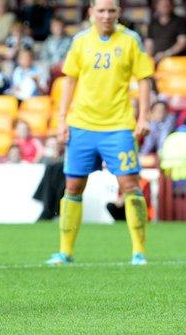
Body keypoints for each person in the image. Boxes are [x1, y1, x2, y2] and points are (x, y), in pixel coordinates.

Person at [45, 0, 153, 266]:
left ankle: (139, 252)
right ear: (91, 13)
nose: (106, 16)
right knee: (73, 186)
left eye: (112, 11)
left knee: (130, 185)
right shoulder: (81, 41)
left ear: (118, 13)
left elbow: (144, 80)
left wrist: (144, 116)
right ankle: (65, 252)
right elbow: (69, 81)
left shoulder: (131, 40)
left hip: (118, 126)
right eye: (101, 11)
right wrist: (62, 120)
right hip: (82, 124)